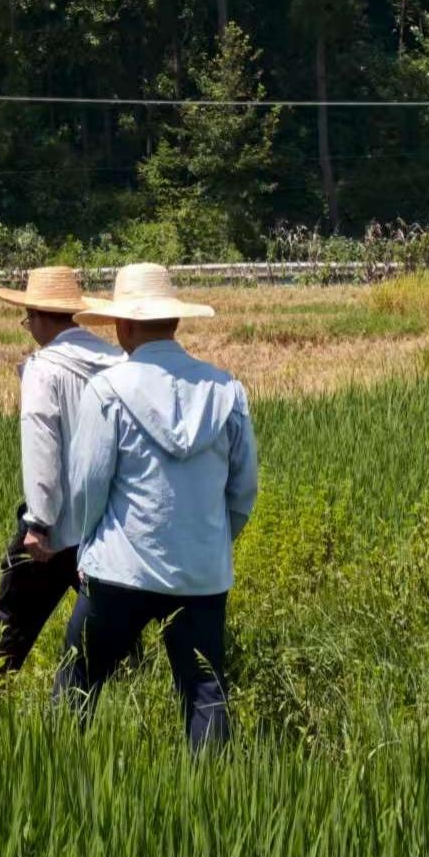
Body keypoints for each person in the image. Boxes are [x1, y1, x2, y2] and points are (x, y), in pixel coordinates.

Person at [55, 263, 259, 751]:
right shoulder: (225, 390)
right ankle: (213, 802)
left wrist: (86, 546)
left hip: (119, 569)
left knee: (77, 680)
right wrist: (212, 540)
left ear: (122, 327)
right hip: (202, 575)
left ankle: (54, 782)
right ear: (176, 322)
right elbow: (243, 489)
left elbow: (87, 485)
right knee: (205, 693)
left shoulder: (108, 390)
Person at [0, 267, 123, 672]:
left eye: (28, 319)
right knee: (112, 621)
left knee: (12, 615)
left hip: (58, 526)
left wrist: (38, 523)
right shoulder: (118, 361)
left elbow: (42, 443)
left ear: (40, 315)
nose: (29, 328)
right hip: (110, 522)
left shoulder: (43, 368)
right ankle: (125, 693)